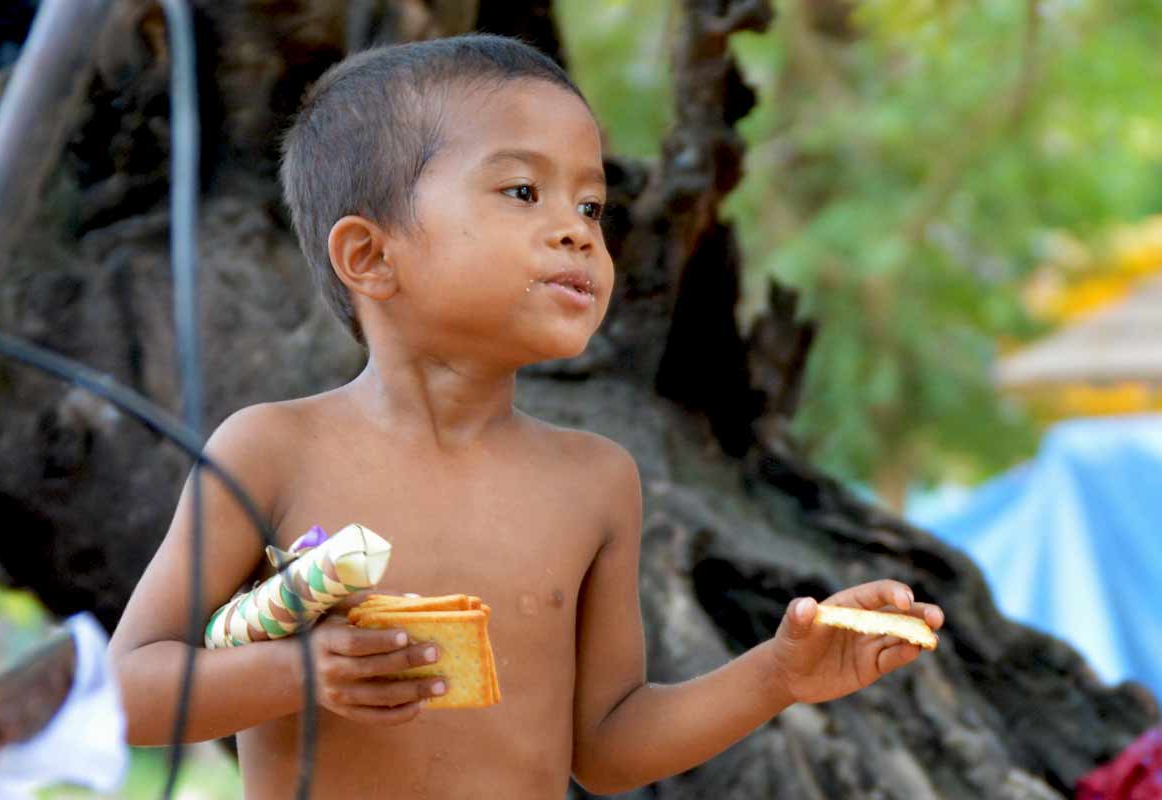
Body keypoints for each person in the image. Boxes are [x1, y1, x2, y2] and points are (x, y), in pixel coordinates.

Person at [108, 33, 945, 799]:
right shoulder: (273, 450)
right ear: (370, 255)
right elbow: (127, 695)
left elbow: (608, 749)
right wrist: (297, 673)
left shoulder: (593, 481)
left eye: (589, 207)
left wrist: (778, 676)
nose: (575, 234)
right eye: (522, 191)